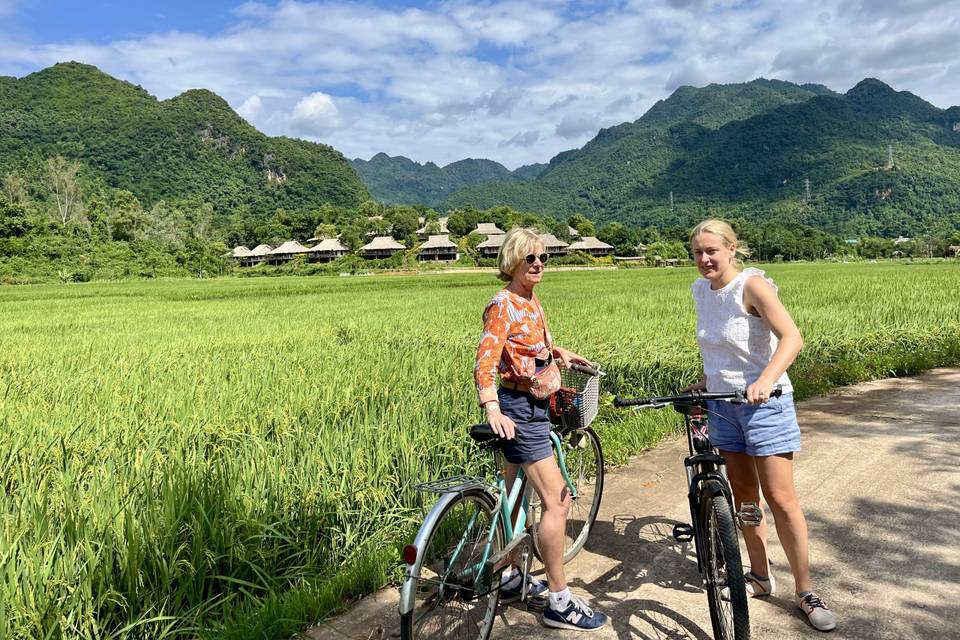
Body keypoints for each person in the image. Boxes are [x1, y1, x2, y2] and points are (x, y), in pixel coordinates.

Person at [685, 219, 837, 632]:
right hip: (723, 407)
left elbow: (792, 338)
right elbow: (720, 350)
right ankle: (759, 575)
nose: (705, 259)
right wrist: (706, 382)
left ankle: (805, 590)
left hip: (765, 406)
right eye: (698, 252)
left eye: (712, 250)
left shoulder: (752, 286)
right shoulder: (700, 290)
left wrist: (766, 380)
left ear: (733, 249)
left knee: (781, 498)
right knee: (745, 499)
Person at [474, 227, 608, 632]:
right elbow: (485, 360)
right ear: (512, 261)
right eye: (529, 258)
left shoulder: (530, 301)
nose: (537, 264)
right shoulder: (504, 304)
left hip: (535, 404)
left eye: (542, 258)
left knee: (513, 496)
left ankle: (511, 573)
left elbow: (529, 349)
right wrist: (491, 407)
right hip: (519, 409)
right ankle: (559, 601)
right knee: (558, 502)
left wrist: (556, 352)